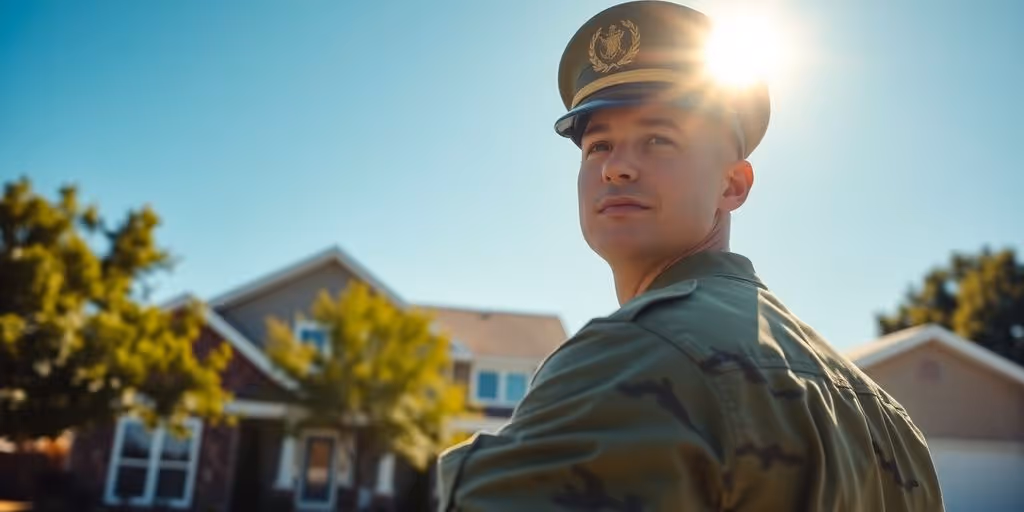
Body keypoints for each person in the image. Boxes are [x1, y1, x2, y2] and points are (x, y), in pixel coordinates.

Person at [436, 1, 944, 510]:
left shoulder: (634, 354)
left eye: (658, 139)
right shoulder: (889, 424)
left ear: (732, 184)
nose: (616, 168)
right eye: (599, 146)